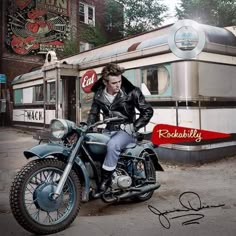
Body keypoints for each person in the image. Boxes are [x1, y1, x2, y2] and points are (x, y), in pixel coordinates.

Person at [87, 63, 153, 195]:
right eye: (114, 83)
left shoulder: (132, 92)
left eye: (119, 81)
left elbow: (147, 111)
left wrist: (133, 127)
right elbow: (93, 114)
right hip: (108, 130)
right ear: (105, 82)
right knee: (90, 144)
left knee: (113, 145)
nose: (118, 85)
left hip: (126, 131)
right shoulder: (99, 94)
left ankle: (104, 182)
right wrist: (87, 126)